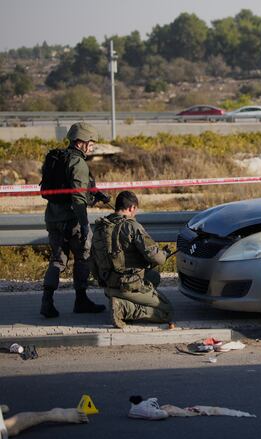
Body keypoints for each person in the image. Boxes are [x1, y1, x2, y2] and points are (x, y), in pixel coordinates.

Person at [40, 122, 107, 318]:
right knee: (83, 257)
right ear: (80, 143)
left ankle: (47, 301)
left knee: (57, 261)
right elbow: (78, 198)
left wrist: (96, 195)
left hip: (53, 218)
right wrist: (85, 224)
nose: (92, 146)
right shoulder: (78, 163)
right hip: (73, 220)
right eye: (91, 142)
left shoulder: (56, 158)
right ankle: (81, 300)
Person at [90, 191, 174, 328]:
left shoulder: (100, 227)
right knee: (166, 311)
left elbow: (92, 259)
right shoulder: (132, 226)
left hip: (108, 285)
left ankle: (120, 300)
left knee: (153, 277)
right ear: (131, 208)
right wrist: (164, 253)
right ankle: (124, 308)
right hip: (127, 285)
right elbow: (157, 258)